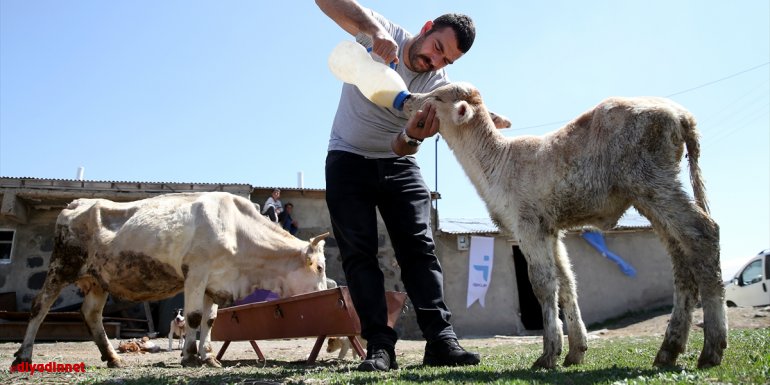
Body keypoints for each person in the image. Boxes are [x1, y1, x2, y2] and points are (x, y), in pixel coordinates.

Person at [316, 0, 481, 372]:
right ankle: (380, 346)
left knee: (419, 249)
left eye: (447, 62)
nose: (436, 63)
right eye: (438, 48)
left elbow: (400, 146)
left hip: (398, 162)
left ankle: (441, 340)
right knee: (359, 254)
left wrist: (410, 137)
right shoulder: (385, 33)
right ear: (426, 28)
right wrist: (373, 34)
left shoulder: (437, 88)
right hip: (347, 158)